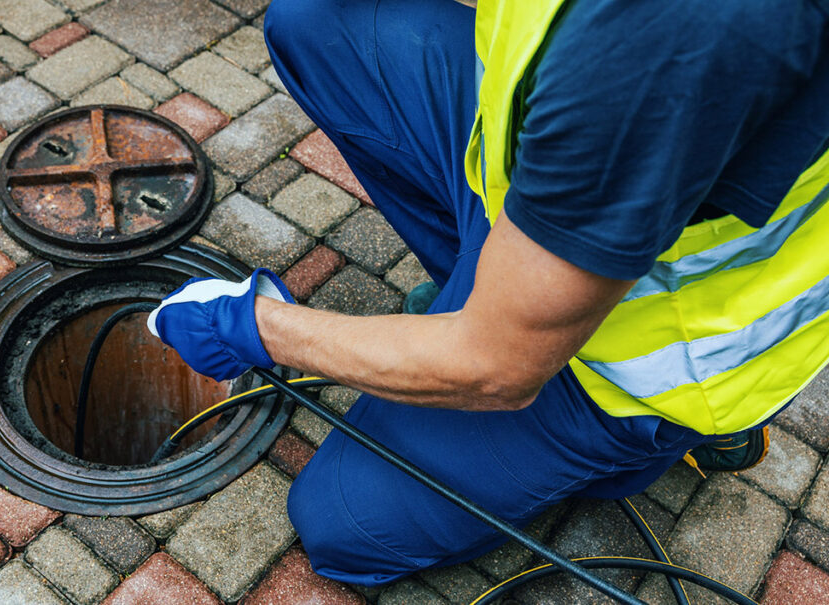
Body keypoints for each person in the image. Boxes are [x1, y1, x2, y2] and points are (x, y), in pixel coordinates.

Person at [148, 0, 829, 587]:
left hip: (635, 358)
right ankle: (505, 293)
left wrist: (258, 327)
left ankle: (650, 442)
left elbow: (494, 367)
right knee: (318, 23)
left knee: (339, 523)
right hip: (560, 183)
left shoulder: (669, 35)